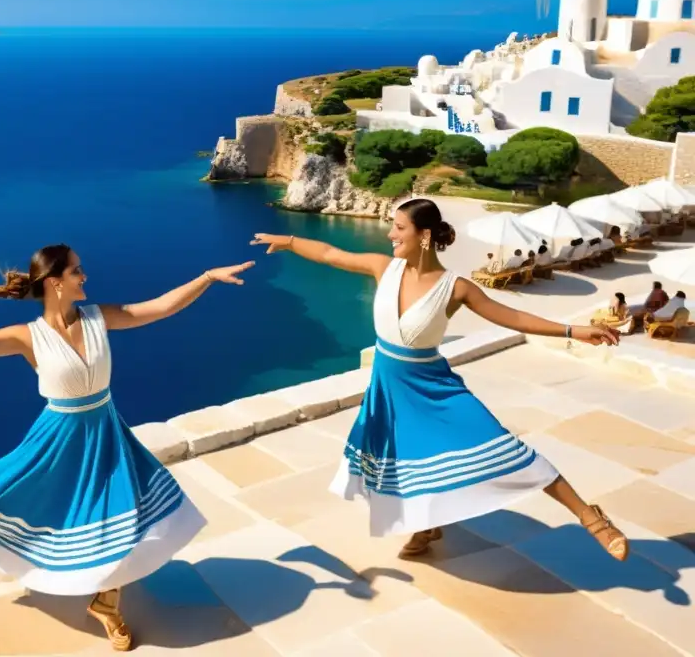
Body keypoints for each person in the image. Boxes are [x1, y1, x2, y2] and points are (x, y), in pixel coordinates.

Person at [0, 244, 254, 651]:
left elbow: (157, 308)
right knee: (48, 508)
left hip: (106, 431)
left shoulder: (99, 318)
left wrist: (207, 277)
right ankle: (90, 591)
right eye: (77, 271)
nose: (84, 276)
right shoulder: (26, 336)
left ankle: (107, 601)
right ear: (55, 283)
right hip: (60, 438)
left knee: (123, 516)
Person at [250, 199, 627, 562]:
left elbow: (509, 316)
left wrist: (570, 329)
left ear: (424, 235)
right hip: (388, 385)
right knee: (407, 460)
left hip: (433, 385)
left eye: (398, 228)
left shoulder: (455, 287)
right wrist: (289, 242)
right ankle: (426, 527)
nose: (390, 235)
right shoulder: (384, 268)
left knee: (503, 446)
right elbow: (331, 254)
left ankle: (590, 517)